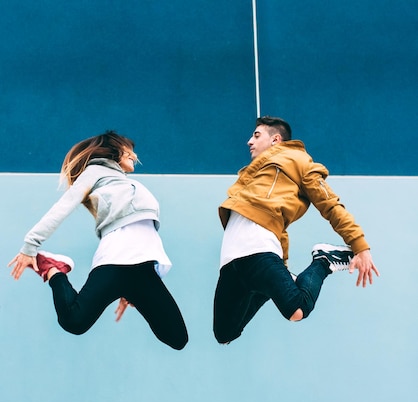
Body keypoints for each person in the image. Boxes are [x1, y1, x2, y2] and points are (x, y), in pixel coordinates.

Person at [8, 131, 188, 350]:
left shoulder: (123, 182)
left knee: (177, 338)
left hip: (144, 269)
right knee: (74, 321)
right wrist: (30, 246)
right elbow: (63, 207)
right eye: (128, 149)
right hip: (115, 261)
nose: (134, 154)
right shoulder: (96, 171)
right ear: (114, 149)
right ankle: (54, 270)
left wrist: (130, 291)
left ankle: (126, 287)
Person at [213, 116, 379, 344]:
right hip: (231, 259)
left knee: (297, 310)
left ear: (276, 139)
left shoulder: (299, 160)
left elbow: (330, 203)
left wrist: (360, 245)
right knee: (225, 334)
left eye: (256, 135)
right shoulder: (253, 173)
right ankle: (277, 281)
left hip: (258, 249)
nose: (249, 141)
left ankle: (323, 261)